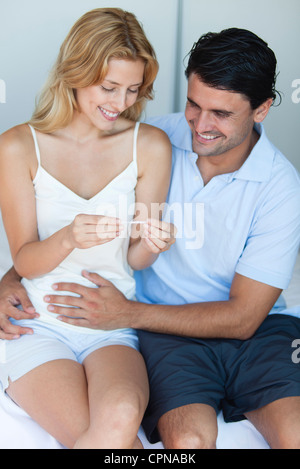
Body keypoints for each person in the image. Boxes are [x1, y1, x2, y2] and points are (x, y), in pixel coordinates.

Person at [1, 27, 300, 449]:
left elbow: (244, 317)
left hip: (250, 331)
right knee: (187, 444)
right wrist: (10, 278)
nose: (201, 125)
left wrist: (127, 314)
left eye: (221, 113)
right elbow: (47, 232)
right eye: (194, 105)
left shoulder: (281, 186)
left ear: (261, 110)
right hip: (165, 336)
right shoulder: (148, 139)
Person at [0, 8, 175, 449]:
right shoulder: (18, 146)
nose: (121, 103)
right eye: (109, 87)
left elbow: (135, 256)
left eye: (133, 90)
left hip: (111, 324)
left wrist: (154, 245)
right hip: (39, 324)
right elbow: (24, 259)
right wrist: (68, 237)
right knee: (114, 443)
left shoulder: (150, 146)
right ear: (75, 73)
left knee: (118, 416)